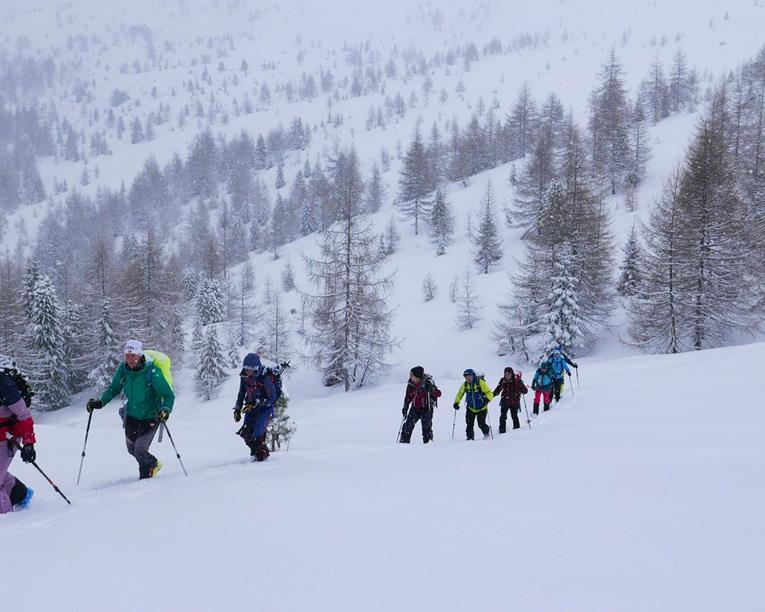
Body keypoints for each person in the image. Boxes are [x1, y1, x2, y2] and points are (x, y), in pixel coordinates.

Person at [87, 339, 174, 479]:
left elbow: (168, 394)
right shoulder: (124, 369)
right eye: (127, 356)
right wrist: (101, 402)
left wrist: (166, 409)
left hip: (151, 416)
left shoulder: (152, 372)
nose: (130, 359)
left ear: (140, 355)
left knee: (140, 450)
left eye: (133, 355)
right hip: (132, 415)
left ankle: (145, 481)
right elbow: (114, 388)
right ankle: (153, 464)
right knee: (131, 449)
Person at [0, 371, 36, 513]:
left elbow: (24, 414)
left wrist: (28, 443)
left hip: (7, 438)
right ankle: (19, 493)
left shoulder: (4, 384)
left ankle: (5, 519)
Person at [233, 353, 275, 461]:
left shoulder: (264, 378)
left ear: (256, 368)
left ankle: (262, 457)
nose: (248, 372)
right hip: (250, 408)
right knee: (245, 433)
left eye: (250, 369)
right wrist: (237, 409)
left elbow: (272, 398)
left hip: (265, 409)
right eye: (246, 369)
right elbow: (241, 393)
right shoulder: (244, 377)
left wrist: (257, 403)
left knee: (258, 434)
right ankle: (257, 454)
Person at [399, 366, 441, 444]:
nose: (410, 377)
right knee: (408, 426)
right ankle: (403, 443)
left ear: (417, 376)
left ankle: (428, 444)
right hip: (415, 408)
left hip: (427, 408)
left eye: (412, 375)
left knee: (426, 428)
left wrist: (431, 389)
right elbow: (408, 398)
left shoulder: (428, 382)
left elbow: (438, 394)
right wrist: (405, 408)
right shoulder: (410, 384)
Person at [453, 369, 494, 440]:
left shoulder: (480, 382)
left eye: (469, 376)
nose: (468, 378)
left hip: (482, 408)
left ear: (473, 376)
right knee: (469, 424)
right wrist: (456, 403)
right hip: (470, 408)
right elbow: (460, 394)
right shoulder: (465, 385)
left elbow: (489, 392)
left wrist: (487, 399)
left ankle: (486, 433)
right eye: (466, 377)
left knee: (481, 424)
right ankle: (469, 438)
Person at [493, 367, 528, 433]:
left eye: (509, 374)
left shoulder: (517, 380)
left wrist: (521, 384)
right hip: (504, 401)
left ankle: (517, 431)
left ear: (512, 374)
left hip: (514, 401)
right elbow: (498, 389)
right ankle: (502, 431)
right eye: (506, 374)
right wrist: (492, 395)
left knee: (514, 416)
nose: (507, 376)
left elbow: (525, 391)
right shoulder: (503, 380)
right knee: (502, 417)